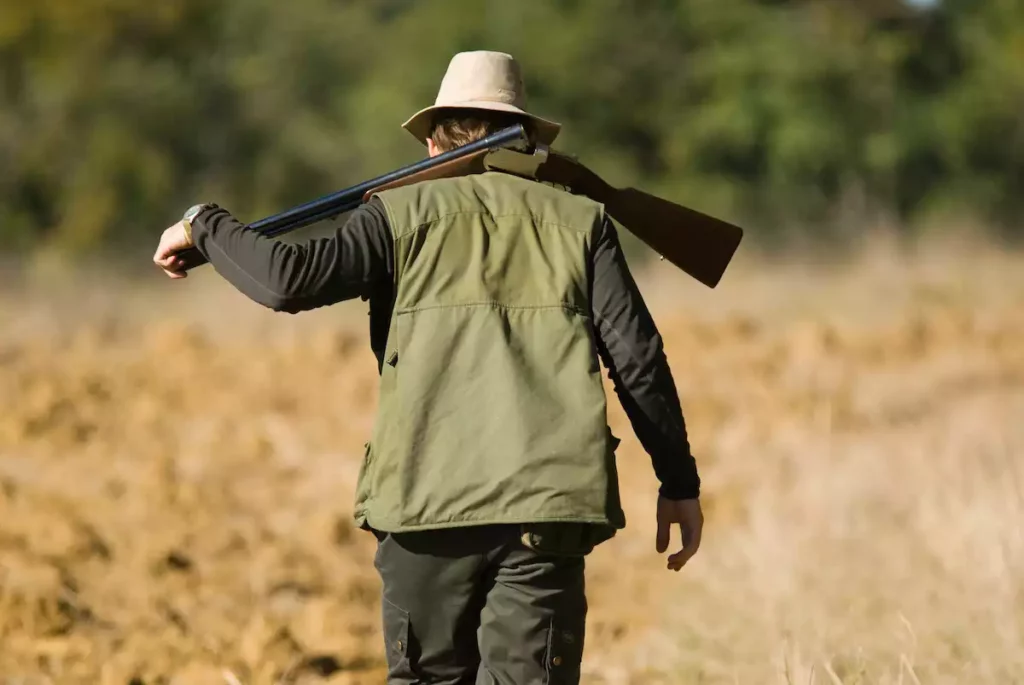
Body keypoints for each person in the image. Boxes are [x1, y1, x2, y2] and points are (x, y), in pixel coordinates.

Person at [153, 50, 703, 685]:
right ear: (526, 139)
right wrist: (678, 482)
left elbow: (285, 281)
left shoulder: (394, 215)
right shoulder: (584, 223)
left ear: (436, 140)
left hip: (424, 506)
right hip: (544, 513)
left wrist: (204, 222)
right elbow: (638, 361)